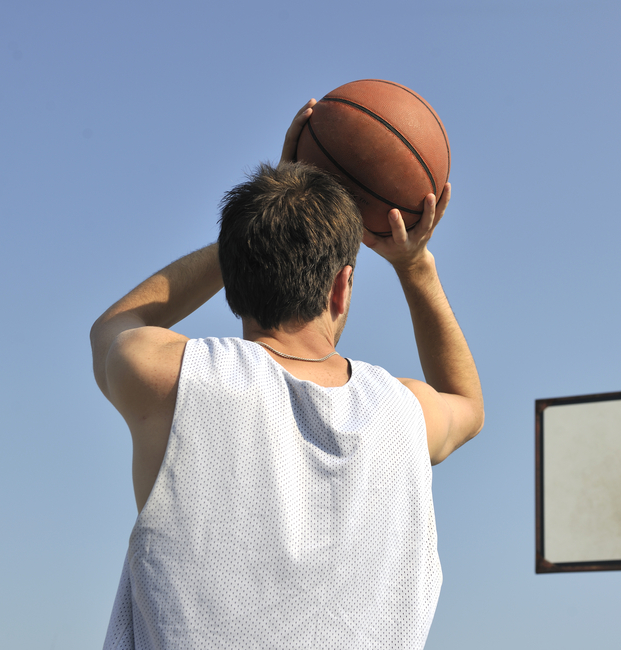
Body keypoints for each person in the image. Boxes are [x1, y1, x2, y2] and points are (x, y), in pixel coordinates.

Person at [90, 100, 484, 649]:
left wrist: (270, 215)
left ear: (234, 279)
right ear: (341, 288)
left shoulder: (170, 376)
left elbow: (114, 324)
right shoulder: (403, 415)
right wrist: (415, 266)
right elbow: (465, 400)